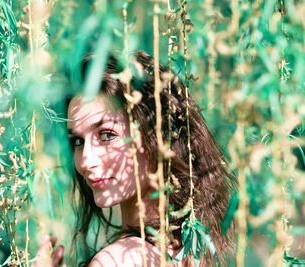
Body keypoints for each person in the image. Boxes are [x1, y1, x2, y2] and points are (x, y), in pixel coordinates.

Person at [36, 50, 236, 266]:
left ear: (157, 136)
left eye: (106, 135)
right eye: (78, 141)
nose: (85, 161)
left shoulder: (117, 260)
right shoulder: (188, 248)